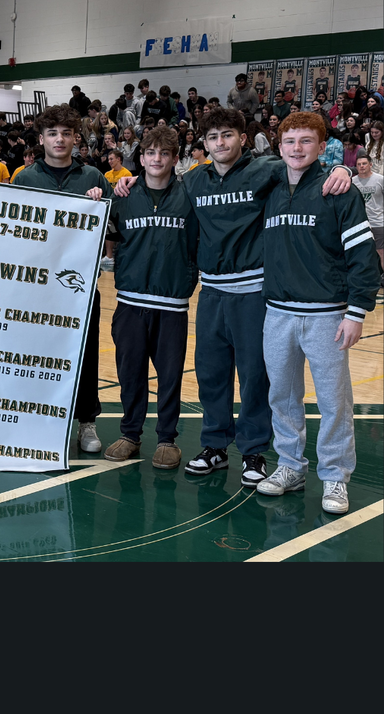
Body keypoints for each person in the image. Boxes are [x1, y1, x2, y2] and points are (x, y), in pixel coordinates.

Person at [113, 106, 353, 488]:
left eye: (228, 135)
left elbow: (304, 167)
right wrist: (122, 184)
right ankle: (214, 447)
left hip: (254, 292)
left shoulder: (267, 170)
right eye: (212, 137)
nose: (220, 143)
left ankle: (255, 451)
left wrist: (344, 169)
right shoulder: (193, 181)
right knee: (210, 374)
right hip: (211, 293)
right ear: (203, 144)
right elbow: (153, 187)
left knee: (255, 375)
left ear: (242, 138)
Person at [257, 113, 379, 514]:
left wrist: (357, 311)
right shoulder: (269, 186)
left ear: (322, 144)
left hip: (327, 313)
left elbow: (363, 257)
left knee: (333, 400)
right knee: (283, 397)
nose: (296, 148)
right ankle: (290, 466)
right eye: (289, 141)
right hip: (277, 313)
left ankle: (334, 477)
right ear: (278, 147)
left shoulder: (338, 189)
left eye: (306, 140)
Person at [13, 103, 114, 455]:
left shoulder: (93, 179)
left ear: (76, 138)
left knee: (84, 354)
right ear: (40, 139)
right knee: (37, 354)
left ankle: (86, 421)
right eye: (52, 133)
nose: (60, 139)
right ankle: (40, 420)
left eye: (66, 133)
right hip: (36, 287)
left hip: (80, 285)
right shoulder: (24, 179)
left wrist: (100, 206)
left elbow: (111, 233)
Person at [103, 127, 199, 470]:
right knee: (130, 372)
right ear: (140, 158)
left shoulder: (189, 196)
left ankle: (167, 438)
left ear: (175, 158)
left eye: (164, 153)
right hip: (130, 302)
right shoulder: (123, 196)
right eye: (150, 153)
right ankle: (130, 433)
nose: (156, 159)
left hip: (171, 304)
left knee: (170, 375)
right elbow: (106, 234)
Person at [352, 154, 384, 289]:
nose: (361, 166)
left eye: (364, 163)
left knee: (381, 252)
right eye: (359, 164)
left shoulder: (380, 179)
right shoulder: (352, 181)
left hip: (378, 221)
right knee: (361, 253)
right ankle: (363, 278)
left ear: (370, 164)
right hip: (360, 223)